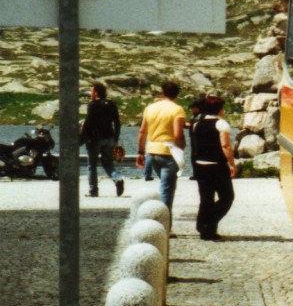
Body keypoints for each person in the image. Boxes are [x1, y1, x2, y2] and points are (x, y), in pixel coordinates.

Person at [136, 80, 187, 214]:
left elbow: (142, 132)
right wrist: (182, 147)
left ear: (162, 92)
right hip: (169, 152)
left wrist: (140, 152)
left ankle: (163, 218)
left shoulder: (150, 108)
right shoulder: (177, 109)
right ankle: (165, 221)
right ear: (177, 94)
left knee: (165, 186)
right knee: (167, 191)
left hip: (152, 151)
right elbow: (178, 134)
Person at [191, 95, 237, 241]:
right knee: (227, 197)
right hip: (217, 166)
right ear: (219, 109)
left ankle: (204, 227)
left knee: (206, 198)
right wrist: (232, 164)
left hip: (200, 165)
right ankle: (209, 223)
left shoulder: (197, 124)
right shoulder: (221, 124)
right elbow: (226, 145)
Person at [80, 82, 124, 197]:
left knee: (92, 165)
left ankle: (93, 190)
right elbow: (117, 123)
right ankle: (117, 179)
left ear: (96, 93)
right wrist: (116, 139)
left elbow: (88, 123)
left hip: (95, 139)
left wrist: (81, 139)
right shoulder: (111, 104)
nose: (90, 93)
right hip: (109, 138)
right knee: (108, 163)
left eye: (91, 91)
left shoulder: (93, 105)